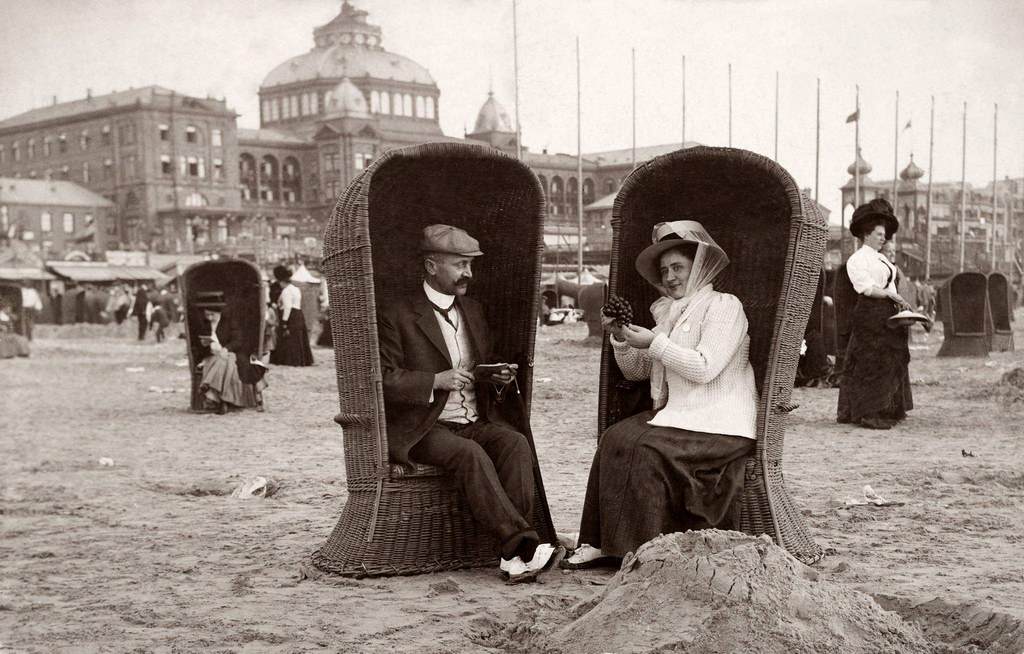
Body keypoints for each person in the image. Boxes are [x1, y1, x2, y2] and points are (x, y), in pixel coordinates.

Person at [563, 220, 758, 569]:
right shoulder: (668, 312)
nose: (670, 277)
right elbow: (638, 371)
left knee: (644, 448)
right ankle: (599, 541)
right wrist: (623, 338)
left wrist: (654, 342)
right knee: (614, 438)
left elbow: (703, 368)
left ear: (699, 267)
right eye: (665, 270)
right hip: (682, 416)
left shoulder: (725, 306)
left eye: (678, 267)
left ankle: (639, 549)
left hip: (722, 423)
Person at [377, 224, 557, 582]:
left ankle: (514, 557)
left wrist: (496, 377)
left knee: (514, 444)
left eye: (470, 265)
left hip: (473, 420)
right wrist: (434, 381)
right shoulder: (397, 314)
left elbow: (478, 369)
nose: (468, 274)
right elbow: (382, 378)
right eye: (460, 265)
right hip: (424, 427)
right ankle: (520, 546)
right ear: (431, 266)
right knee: (468, 454)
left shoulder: (473, 310)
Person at [836, 198, 914, 430]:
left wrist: (900, 303)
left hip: (887, 313)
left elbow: (890, 286)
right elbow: (866, 288)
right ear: (867, 234)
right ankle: (868, 412)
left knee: (890, 359)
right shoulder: (857, 259)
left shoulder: (881, 258)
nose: (884, 238)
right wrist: (892, 297)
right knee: (871, 361)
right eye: (879, 234)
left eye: (884, 234)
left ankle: (888, 408)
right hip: (869, 314)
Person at [197, 303, 267, 413]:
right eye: (207, 315)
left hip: (232, 352)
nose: (210, 318)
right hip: (213, 355)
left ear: (219, 313)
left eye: (212, 315)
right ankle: (219, 397)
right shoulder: (204, 324)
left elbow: (238, 341)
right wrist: (204, 345)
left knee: (227, 361)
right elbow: (198, 344)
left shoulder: (229, 322)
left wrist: (226, 348)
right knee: (224, 361)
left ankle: (213, 392)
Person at [269, 265, 313, 366]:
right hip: (299, 313)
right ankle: (302, 359)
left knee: (289, 338)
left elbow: (287, 307)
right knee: (299, 338)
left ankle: (290, 360)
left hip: (291, 315)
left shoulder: (286, 291)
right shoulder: (296, 289)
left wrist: (284, 322)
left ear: (282, 282)